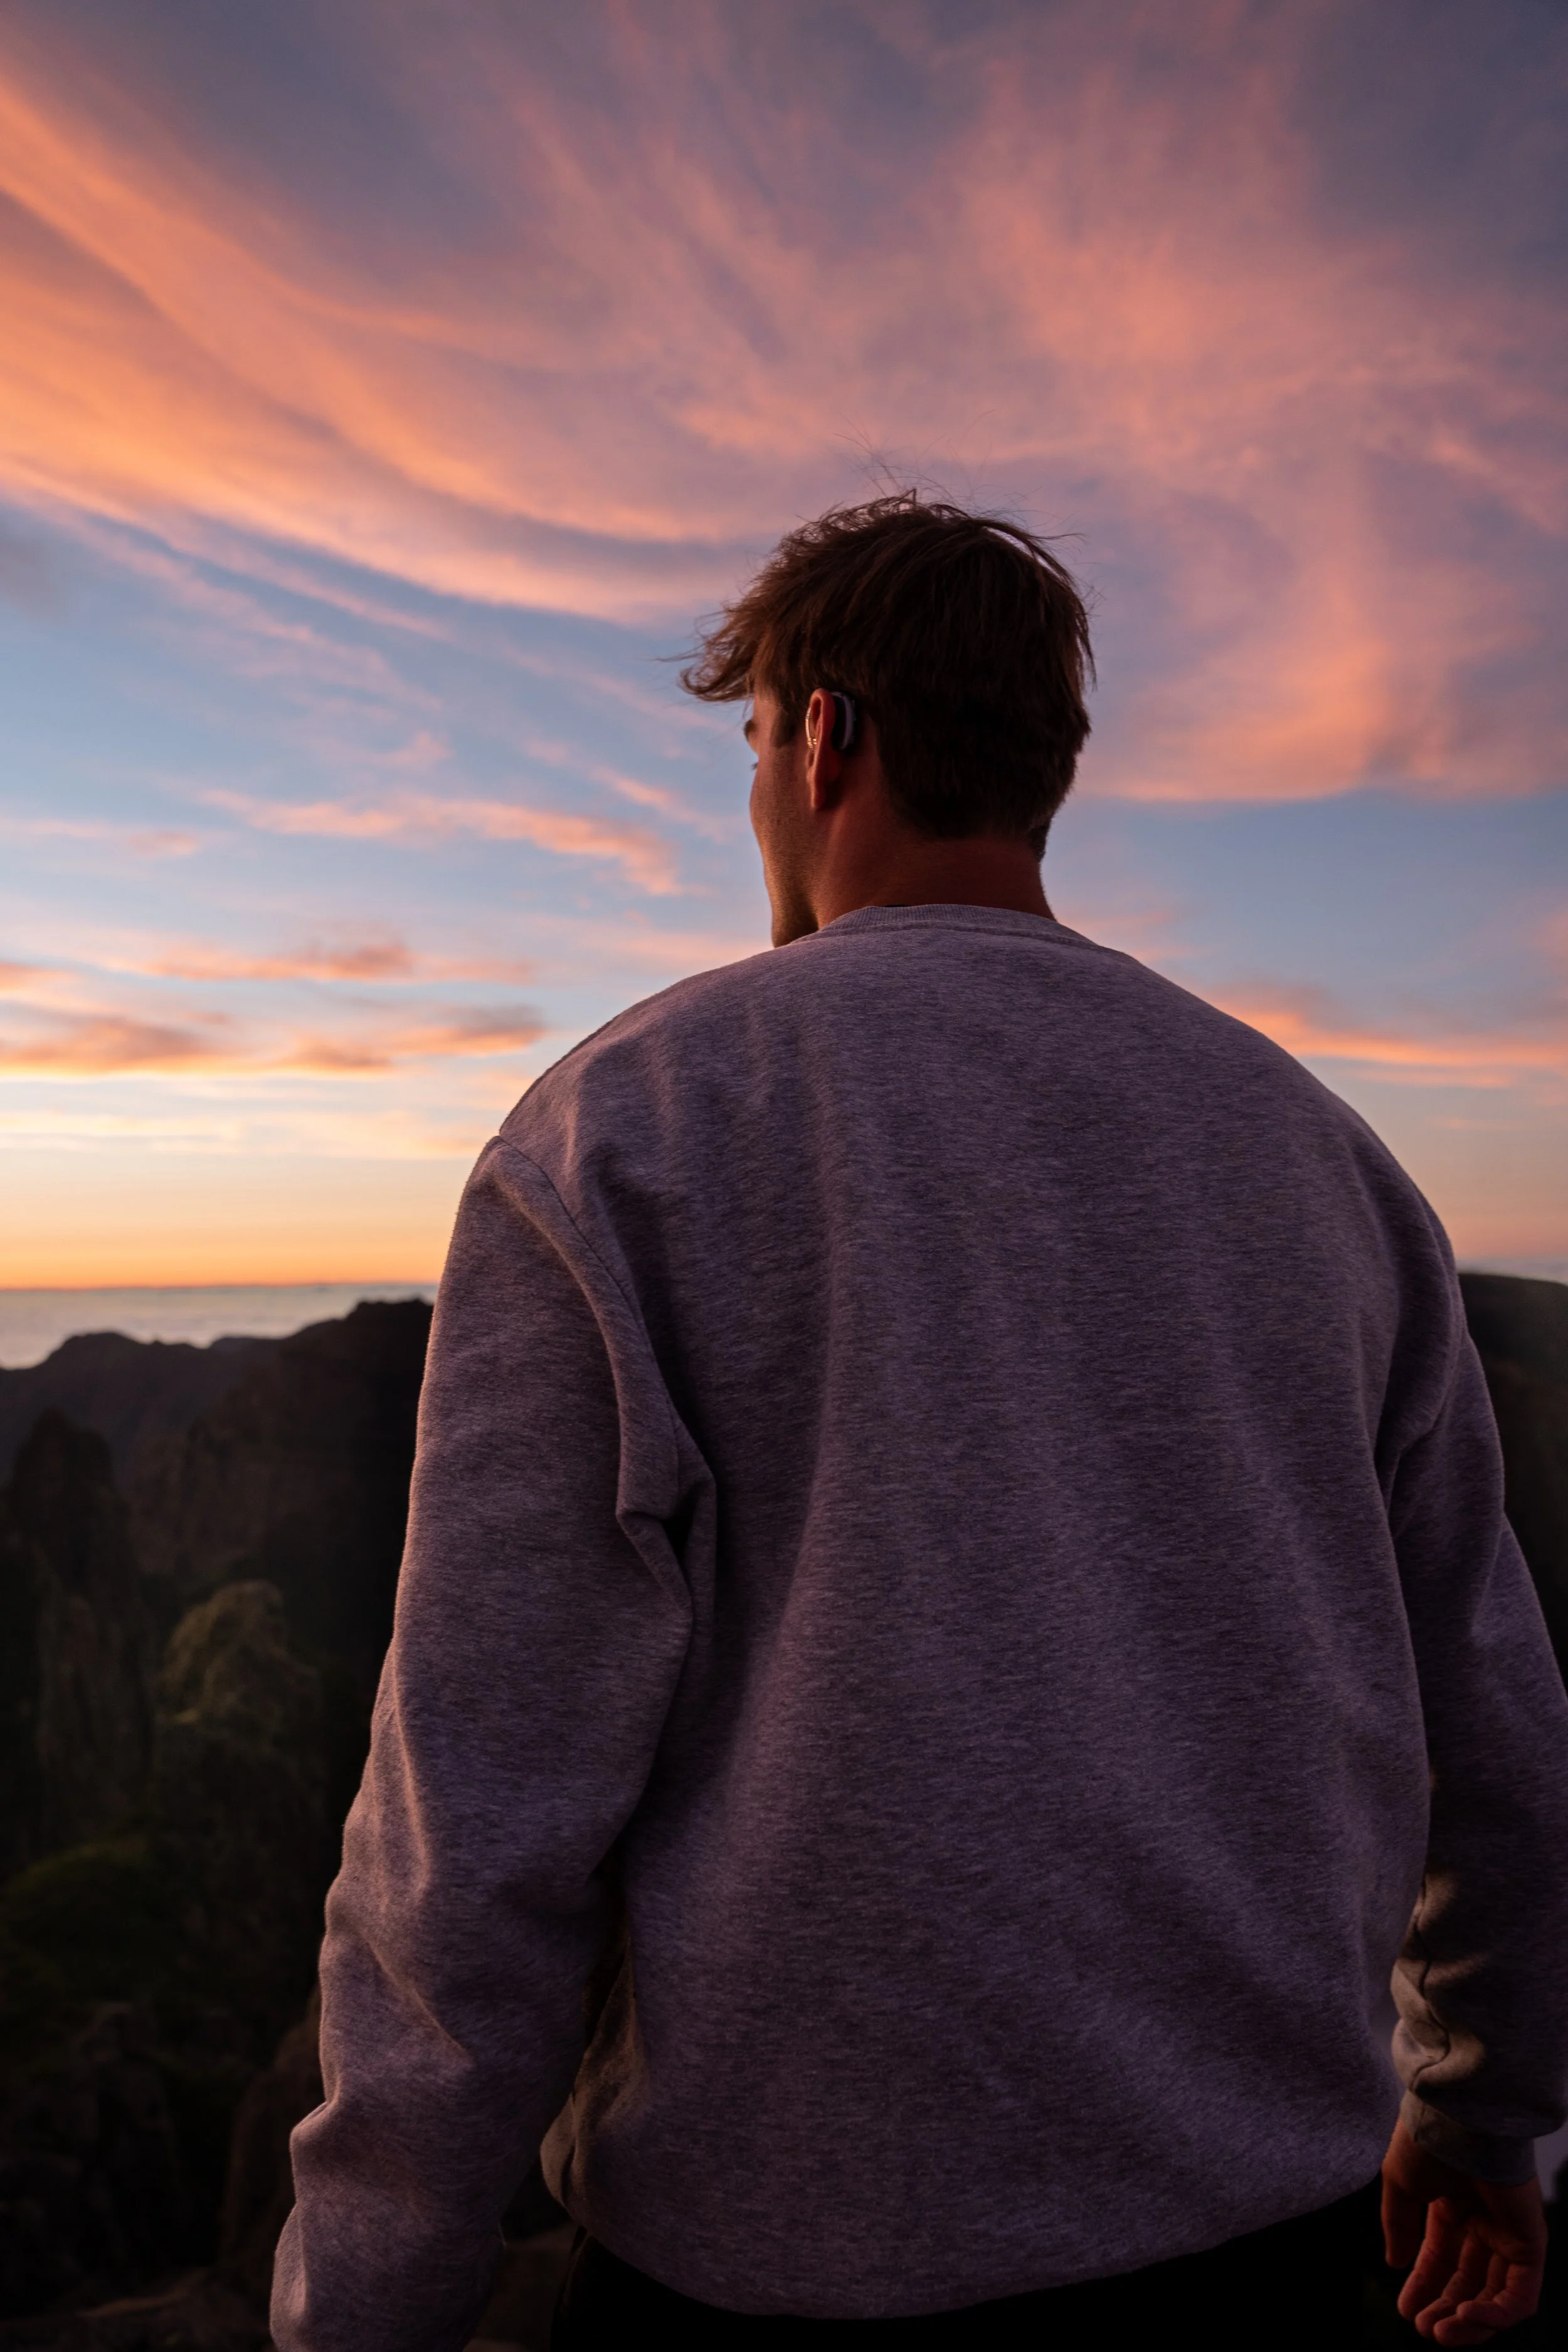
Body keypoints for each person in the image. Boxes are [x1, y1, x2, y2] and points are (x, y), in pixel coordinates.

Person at [272, 495, 1568, 2351]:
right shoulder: (1328, 1165)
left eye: (753, 745)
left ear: (824, 738)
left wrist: (362, 2305)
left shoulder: (623, 1138)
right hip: (1275, 2248)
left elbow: (474, 1813)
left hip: (784, 2271)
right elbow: (1497, 1727)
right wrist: (1484, 2109)